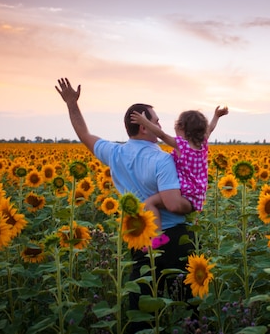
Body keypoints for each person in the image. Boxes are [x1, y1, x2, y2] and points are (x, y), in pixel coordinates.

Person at [55, 77, 194, 330]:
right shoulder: (163, 161)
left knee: (141, 311)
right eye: (156, 120)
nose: (160, 124)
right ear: (143, 126)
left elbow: (84, 134)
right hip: (172, 238)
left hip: (140, 239)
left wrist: (71, 104)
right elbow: (175, 205)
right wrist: (192, 205)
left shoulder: (115, 153)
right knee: (189, 309)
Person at [130, 106, 228, 245]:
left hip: (184, 193)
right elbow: (210, 128)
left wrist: (145, 122)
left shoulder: (181, 145)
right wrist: (216, 116)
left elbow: (162, 135)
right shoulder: (202, 143)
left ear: (181, 127)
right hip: (197, 195)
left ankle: (157, 238)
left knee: (149, 203)